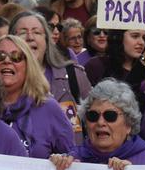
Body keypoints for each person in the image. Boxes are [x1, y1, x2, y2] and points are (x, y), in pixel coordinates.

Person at [0, 34, 76, 160]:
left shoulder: (49, 108)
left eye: (16, 57)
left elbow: (72, 155)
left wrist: (63, 160)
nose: (7, 61)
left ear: (28, 66)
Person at [9, 11, 90, 140]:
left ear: (47, 41)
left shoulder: (74, 74)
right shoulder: (2, 81)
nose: (30, 37)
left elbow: (94, 122)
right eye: (23, 32)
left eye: (37, 32)